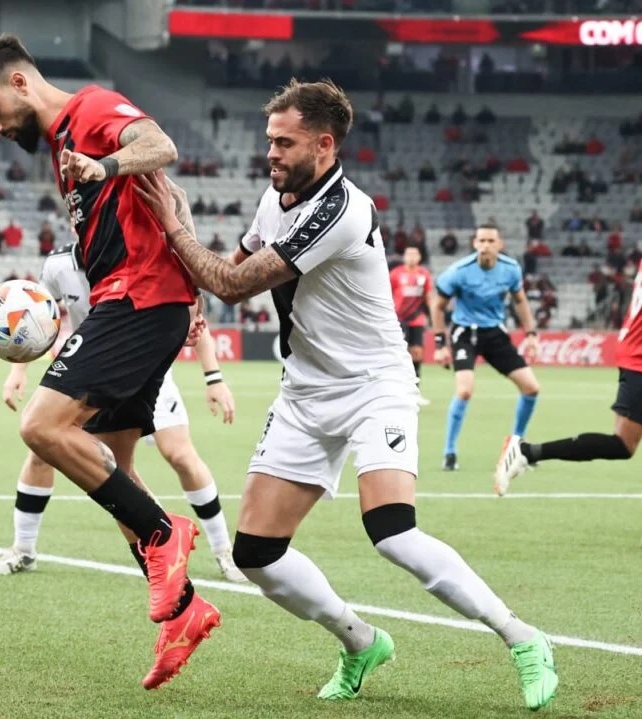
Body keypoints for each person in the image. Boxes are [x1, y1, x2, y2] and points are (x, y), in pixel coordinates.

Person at [133, 78, 557, 711]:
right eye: (269, 140)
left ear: (324, 145)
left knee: (392, 531)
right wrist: (183, 239)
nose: (270, 152)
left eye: (284, 142)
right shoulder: (276, 197)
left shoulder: (342, 210)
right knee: (256, 553)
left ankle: (523, 638)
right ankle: (360, 642)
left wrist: (173, 225)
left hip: (374, 384)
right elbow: (229, 260)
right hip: (306, 389)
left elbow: (231, 282)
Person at [0, 34, 219, 690]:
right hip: (132, 298)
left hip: (138, 297)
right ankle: (183, 614)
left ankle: (168, 534)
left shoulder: (92, 109)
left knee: (42, 428)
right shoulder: (60, 147)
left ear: (20, 83)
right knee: (117, 474)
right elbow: (167, 189)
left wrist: (103, 168)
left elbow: (161, 146)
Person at [0, 243, 246, 582]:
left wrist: (214, 379)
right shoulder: (59, 265)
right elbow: (36, 317)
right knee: (44, 450)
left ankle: (224, 552)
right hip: (92, 371)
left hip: (146, 367)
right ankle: (23, 549)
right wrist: (18, 370)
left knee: (179, 454)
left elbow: (195, 317)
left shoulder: (137, 255)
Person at [494, 257, 642, 495]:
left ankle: (526, 453)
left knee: (623, 444)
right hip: (638, 358)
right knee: (623, 444)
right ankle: (525, 452)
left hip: (632, 352)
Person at [431, 224, 540, 471]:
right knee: (465, 391)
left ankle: (517, 447)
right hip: (465, 333)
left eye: (491, 241)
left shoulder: (510, 270)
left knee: (532, 388)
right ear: (474, 243)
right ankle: (449, 452)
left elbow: (520, 301)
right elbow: (437, 306)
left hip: (494, 334)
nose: (486, 245)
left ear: (499, 244)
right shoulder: (458, 272)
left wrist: (531, 333)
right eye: (481, 240)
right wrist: (440, 344)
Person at [389, 245, 434, 406]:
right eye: (409, 254)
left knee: (417, 354)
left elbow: (429, 297)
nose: (412, 257)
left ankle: (415, 392)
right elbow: (387, 294)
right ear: (404, 256)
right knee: (398, 355)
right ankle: (396, 391)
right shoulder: (395, 274)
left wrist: (432, 317)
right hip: (398, 319)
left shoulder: (424, 274)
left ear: (420, 257)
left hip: (416, 319)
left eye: (415, 254)